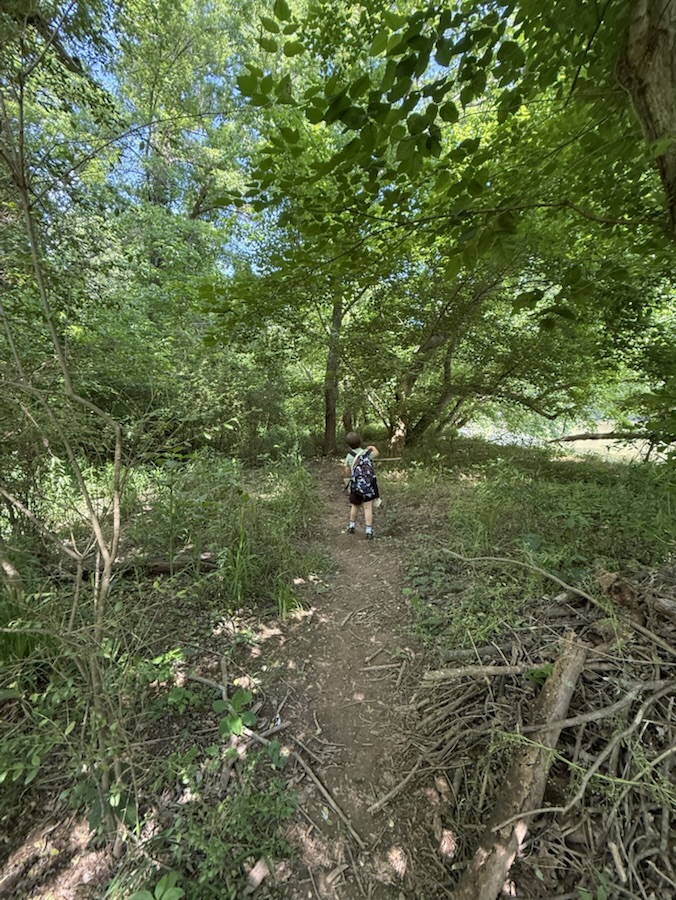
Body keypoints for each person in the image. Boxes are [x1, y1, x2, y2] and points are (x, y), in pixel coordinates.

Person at [343, 432, 380, 539]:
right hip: (368, 485)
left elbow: (347, 470)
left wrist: (348, 479)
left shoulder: (349, 456)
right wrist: (372, 447)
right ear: (360, 442)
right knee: (368, 508)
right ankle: (369, 531)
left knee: (355, 506)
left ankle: (351, 526)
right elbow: (377, 453)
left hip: (356, 486)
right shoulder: (366, 453)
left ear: (348, 445)